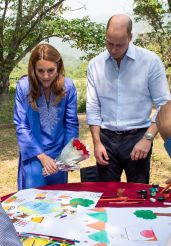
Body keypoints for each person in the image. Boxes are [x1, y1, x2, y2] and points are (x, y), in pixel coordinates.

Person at [86, 14, 170, 184]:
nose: (114, 49)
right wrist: (97, 143)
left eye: (120, 44)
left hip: (138, 136)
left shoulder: (150, 61)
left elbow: (165, 106)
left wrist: (147, 139)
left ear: (130, 38)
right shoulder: (95, 65)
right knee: (106, 195)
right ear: (106, 36)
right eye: (109, 43)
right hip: (106, 139)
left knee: (138, 196)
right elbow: (93, 107)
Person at [14, 43, 79, 190]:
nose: (45, 76)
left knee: (58, 201)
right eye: (40, 71)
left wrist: (69, 154)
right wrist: (41, 156)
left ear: (58, 67)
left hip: (59, 154)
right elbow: (21, 125)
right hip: (34, 154)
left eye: (51, 70)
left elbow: (71, 123)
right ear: (33, 69)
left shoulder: (68, 87)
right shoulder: (24, 87)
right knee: (34, 203)